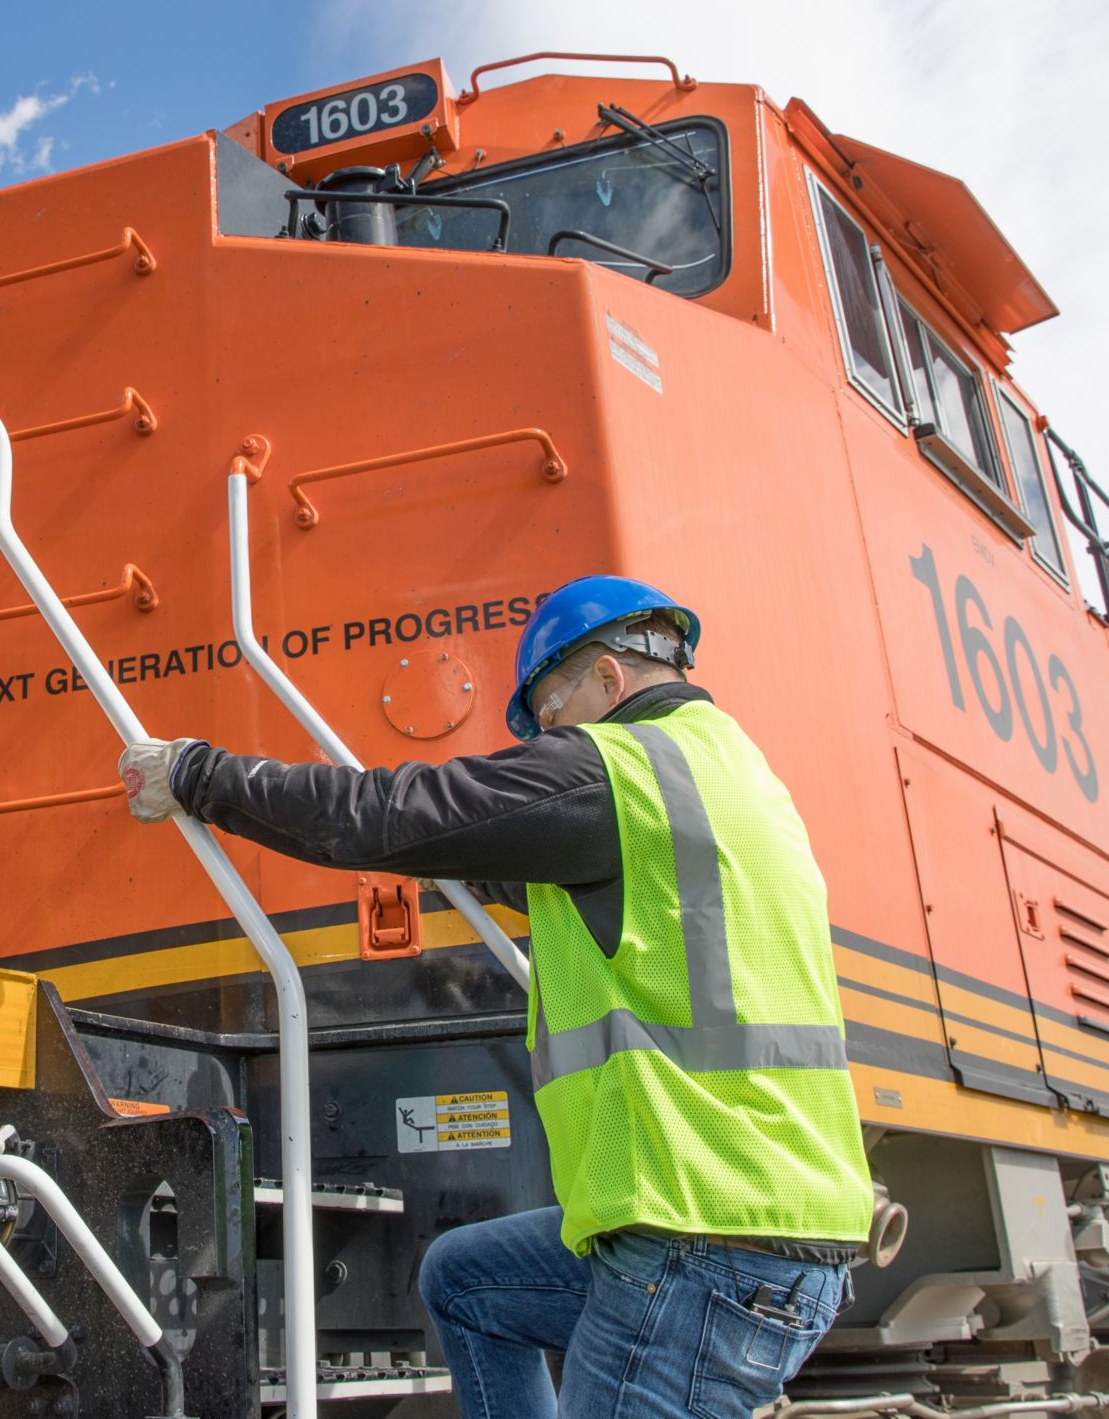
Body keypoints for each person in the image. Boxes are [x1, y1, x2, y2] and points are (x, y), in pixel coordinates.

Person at [117, 575, 873, 1418]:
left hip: (698, 1239)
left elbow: (393, 811)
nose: (546, 738)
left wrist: (202, 775)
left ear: (608, 682)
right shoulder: (735, 778)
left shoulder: (616, 773)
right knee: (464, 1278)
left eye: (548, 714)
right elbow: (573, 877)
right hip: (767, 1225)